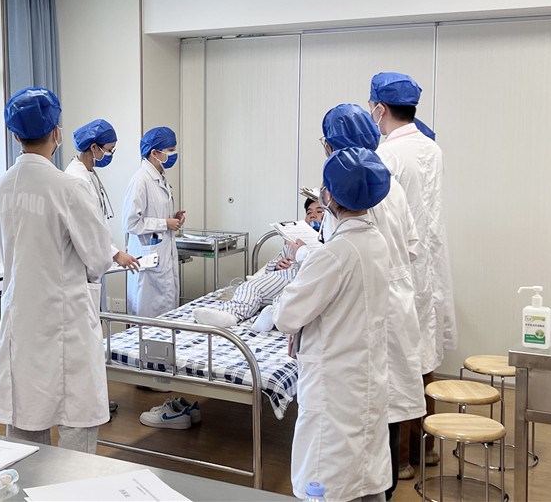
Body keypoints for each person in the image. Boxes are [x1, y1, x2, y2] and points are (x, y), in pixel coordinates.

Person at [0, 87, 113, 453]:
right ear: (57, 133)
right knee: (76, 422)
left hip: (22, 323)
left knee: (26, 423)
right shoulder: (67, 188)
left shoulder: (1, 187)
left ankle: (27, 482)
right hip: (65, 322)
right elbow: (99, 256)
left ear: (15, 136)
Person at [273, 147, 393, 502]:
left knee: (327, 476)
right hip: (364, 376)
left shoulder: (334, 254)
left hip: (334, 384)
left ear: (330, 197)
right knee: (364, 474)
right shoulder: (376, 242)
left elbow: (285, 316)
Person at [322, 103, 426, 498]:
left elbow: (335, 257)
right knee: (387, 407)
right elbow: (412, 247)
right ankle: (384, 488)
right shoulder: (389, 185)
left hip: (366, 310)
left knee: (368, 411)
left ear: (334, 145)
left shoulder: (348, 187)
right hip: (395, 301)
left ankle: (372, 490)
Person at [368, 72, 457, 468]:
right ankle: (427, 449)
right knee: (424, 359)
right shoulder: (431, 148)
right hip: (429, 269)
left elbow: (380, 216)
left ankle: (400, 459)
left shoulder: (386, 155)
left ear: (380, 108)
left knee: (398, 362)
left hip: (399, 266)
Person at [66, 118, 139, 414]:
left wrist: (112, 252)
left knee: (94, 338)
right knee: (86, 341)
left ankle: (94, 399)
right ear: (93, 147)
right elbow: (87, 230)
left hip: (94, 267)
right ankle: (87, 404)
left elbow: (97, 225)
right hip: (84, 271)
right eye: (109, 149)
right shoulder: (76, 180)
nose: (110, 155)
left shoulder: (88, 174)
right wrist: (115, 254)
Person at [191, 198, 324, 329]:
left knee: (288, 296)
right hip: (282, 277)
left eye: (319, 211)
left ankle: (272, 316)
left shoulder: (329, 244)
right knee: (249, 287)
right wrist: (277, 265)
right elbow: (271, 265)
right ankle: (229, 316)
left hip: (304, 280)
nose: (312, 215)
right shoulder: (294, 241)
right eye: (309, 212)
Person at [122, 127, 185, 317]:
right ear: (155, 153)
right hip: (148, 259)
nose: (174, 154)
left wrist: (173, 216)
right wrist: (164, 223)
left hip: (162, 254)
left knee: (167, 314)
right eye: (170, 150)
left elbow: (154, 211)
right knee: (147, 316)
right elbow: (130, 223)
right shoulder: (140, 180)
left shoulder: (160, 177)